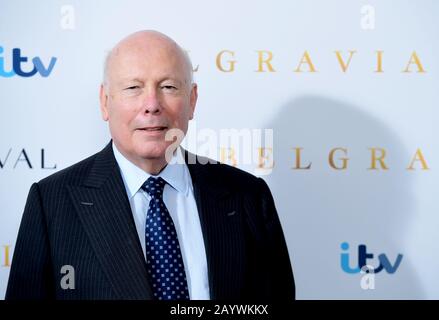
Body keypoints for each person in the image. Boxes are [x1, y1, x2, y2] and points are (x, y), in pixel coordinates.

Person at [6, 30, 295, 300]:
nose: (152, 104)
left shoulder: (247, 195)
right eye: (133, 87)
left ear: (192, 101)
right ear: (105, 102)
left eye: (168, 86)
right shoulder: (52, 202)